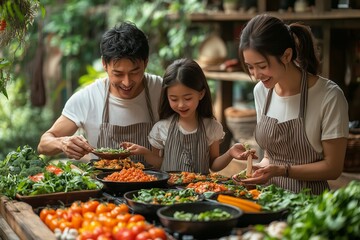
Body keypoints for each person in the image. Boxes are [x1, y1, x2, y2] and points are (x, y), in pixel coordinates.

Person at [235, 14, 349, 194]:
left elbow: (333, 168)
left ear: (287, 55)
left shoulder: (329, 96)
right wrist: (254, 172)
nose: (256, 74)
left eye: (262, 66)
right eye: (250, 67)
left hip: (309, 207)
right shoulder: (261, 91)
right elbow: (269, 157)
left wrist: (283, 170)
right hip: (267, 201)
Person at [37, 22, 163, 161]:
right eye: (118, 74)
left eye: (135, 72)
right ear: (104, 64)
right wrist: (62, 143)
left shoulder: (162, 90)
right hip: (100, 182)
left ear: (145, 63)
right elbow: (43, 144)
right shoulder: (87, 98)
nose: (126, 82)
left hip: (153, 182)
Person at [124, 58, 255, 174]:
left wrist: (230, 153)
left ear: (201, 94)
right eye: (174, 99)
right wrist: (145, 152)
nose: (181, 105)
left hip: (201, 192)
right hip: (169, 194)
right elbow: (159, 164)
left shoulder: (211, 127)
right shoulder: (162, 128)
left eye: (187, 98)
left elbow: (213, 165)